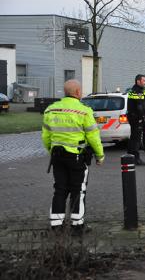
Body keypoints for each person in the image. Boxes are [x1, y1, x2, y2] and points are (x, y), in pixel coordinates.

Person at [42, 79, 104, 235]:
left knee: (60, 189)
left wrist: (52, 150)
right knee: (78, 190)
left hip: (57, 156)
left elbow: (46, 136)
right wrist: (99, 155)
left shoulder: (50, 110)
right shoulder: (84, 111)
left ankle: (56, 226)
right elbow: (93, 136)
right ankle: (77, 226)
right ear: (77, 92)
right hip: (76, 157)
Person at [127, 74, 145, 165]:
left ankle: (130, 157)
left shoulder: (132, 90)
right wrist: (142, 117)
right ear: (138, 81)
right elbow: (139, 107)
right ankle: (136, 159)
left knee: (133, 137)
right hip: (136, 118)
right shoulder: (138, 91)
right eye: (144, 80)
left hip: (132, 117)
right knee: (137, 139)